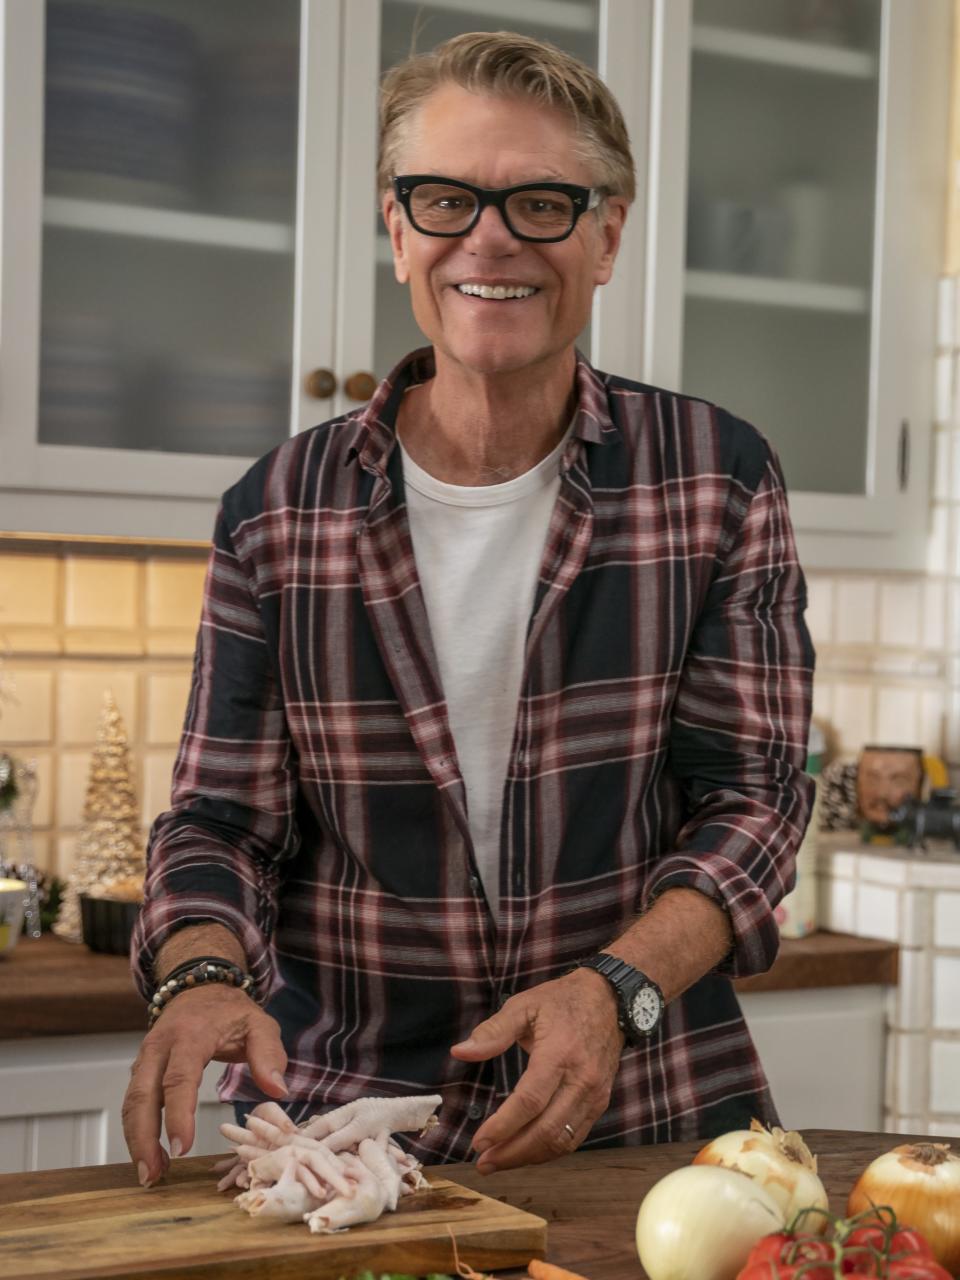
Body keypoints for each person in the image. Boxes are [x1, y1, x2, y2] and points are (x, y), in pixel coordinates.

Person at [122, 30, 815, 1190]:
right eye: (445, 198)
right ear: (397, 231)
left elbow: (754, 801)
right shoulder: (275, 511)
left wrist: (615, 989)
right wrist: (199, 977)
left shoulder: (718, 476)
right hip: (341, 1138)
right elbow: (218, 825)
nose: (488, 239)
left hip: (653, 1113)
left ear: (607, 235)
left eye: (543, 201)